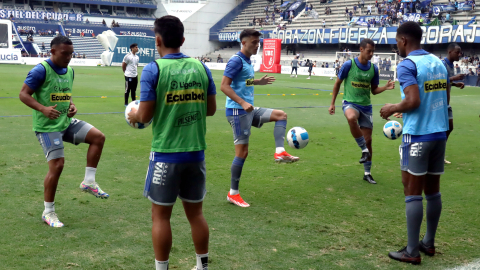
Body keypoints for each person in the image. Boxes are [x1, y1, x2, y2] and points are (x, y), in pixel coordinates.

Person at [127, 15, 216, 270]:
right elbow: (211, 109)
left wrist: (133, 114)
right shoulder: (201, 67)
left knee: (160, 216)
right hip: (196, 154)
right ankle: (202, 266)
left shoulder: (154, 69)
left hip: (166, 154)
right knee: (196, 214)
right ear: (183, 40)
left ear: (157, 40)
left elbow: (143, 116)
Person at [18, 36, 109, 228]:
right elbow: (23, 94)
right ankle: (48, 212)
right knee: (57, 165)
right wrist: (43, 108)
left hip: (66, 122)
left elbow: (65, 92)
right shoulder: (40, 70)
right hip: (47, 127)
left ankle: (89, 182)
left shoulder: (70, 71)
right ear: (52, 51)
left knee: (98, 137)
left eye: (71, 54)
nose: (69, 57)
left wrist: (72, 105)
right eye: (64, 54)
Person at [381, 21, 449, 265]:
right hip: (439, 133)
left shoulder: (407, 64)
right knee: (433, 191)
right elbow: (443, 97)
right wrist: (406, 109)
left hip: (418, 134)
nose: (396, 46)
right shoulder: (438, 62)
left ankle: (411, 250)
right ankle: (428, 242)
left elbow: (413, 100)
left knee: (411, 191)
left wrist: (392, 108)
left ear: (403, 40)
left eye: (396, 41)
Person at [220, 29, 299, 208]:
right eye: (254, 42)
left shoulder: (247, 62)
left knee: (281, 115)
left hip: (247, 109)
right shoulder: (236, 60)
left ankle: (279, 152)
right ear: (244, 43)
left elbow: (241, 82)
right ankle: (233, 194)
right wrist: (241, 102)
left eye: (258, 42)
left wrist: (256, 82)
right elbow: (224, 86)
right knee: (242, 153)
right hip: (237, 111)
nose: (258, 45)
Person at [329, 38, 395, 185]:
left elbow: (374, 90)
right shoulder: (349, 65)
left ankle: (367, 173)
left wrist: (385, 87)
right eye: (369, 51)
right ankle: (363, 150)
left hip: (366, 107)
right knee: (351, 118)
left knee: (369, 141)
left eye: (373, 51)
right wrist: (332, 103)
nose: (371, 54)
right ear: (361, 49)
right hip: (350, 103)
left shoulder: (374, 69)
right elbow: (337, 83)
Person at [441, 43, 465, 164]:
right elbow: (439, 80)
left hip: (446, 103)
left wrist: (455, 84)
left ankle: (440, 154)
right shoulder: (442, 64)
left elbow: (446, 82)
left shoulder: (451, 65)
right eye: (458, 52)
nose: (460, 54)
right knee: (440, 130)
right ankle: (436, 155)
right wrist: (454, 78)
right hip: (439, 102)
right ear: (450, 52)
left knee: (449, 128)